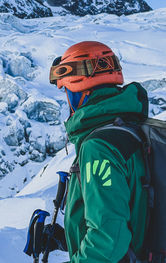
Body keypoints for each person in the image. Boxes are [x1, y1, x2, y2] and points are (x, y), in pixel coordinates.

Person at [47, 41, 149, 262]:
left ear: (78, 90)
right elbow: (131, 212)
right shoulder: (135, 131)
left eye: (66, 90)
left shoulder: (99, 148)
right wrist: (68, 237)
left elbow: (108, 238)